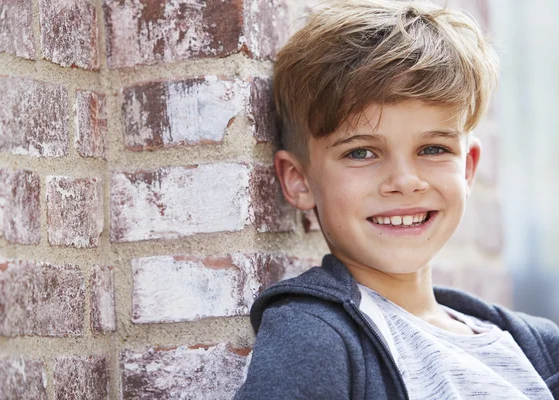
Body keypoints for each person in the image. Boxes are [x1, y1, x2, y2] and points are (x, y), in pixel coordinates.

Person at [234, 0, 559, 399]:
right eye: (361, 152)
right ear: (299, 180)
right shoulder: (313, 336)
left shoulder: (541, 347)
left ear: (468, 167)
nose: (405, 182)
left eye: (434, 149)